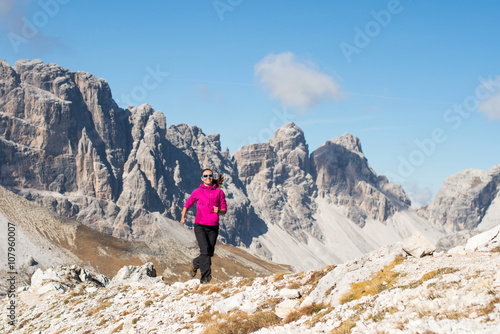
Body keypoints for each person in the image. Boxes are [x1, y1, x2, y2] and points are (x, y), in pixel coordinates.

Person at [180, 168, 227, 283]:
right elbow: (187, 204)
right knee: (205, 252)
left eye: (210, 175)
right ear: (202, 178)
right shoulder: (197, 191)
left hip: (213, 227)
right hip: (200, 225)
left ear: (212, 177)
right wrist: (183, 217)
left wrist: (219, 210)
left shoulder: (219, 192)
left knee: (209, 253)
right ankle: (205, 280)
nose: (208, 177)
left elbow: (224, 210)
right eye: (205, 176)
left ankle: (196, 263)